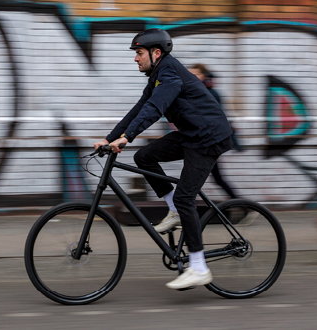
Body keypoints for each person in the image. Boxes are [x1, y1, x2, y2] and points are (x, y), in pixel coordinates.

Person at [93, 29, 233, 289]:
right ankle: (175, 211)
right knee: (145, 157)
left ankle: (199, 267)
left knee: (185, 197)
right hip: (192, 135)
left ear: (156, 53)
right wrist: (110, 137)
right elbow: (138, 108)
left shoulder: (169, 73)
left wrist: (128, 137)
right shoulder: (158, 75)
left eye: (138, 53)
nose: (136, 58)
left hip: (208, 138)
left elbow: (155, 108)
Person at [188, 63, 241, 199]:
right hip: (204, 142)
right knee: (215, 178)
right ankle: (242, 205)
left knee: (205, 178)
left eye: (196, 74)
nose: (192, 76)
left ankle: (242, 205)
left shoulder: (209, 93)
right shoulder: (198, 91)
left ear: (204, 76)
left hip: (209, 142)